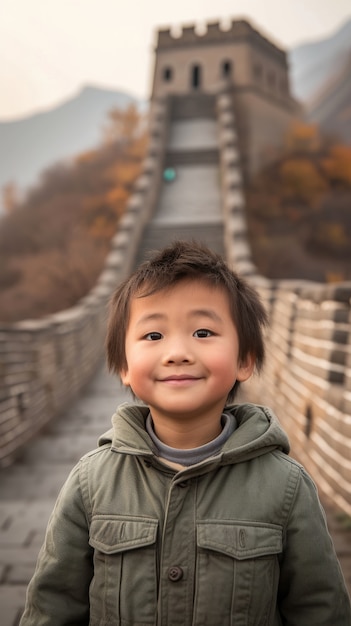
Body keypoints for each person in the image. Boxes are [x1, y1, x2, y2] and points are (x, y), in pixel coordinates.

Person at [20, 240, 351, 625]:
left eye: (204, 333)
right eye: (154, 336)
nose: (177, 352)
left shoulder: (286, 487)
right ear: (124, 366)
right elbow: (52, 606)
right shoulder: (92, 482)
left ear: (244, 360)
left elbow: (321, 610)